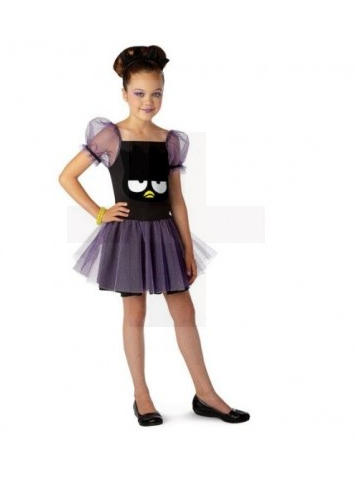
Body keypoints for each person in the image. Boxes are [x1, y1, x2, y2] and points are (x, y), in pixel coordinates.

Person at [58, 45, 250, 426]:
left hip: (164, 235)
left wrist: (187, 247)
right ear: (124, 93)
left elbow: (176, 199)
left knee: (185, 310)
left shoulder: (169, 140)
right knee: (135, 312)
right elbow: (67, 176)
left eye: (156, 93)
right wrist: (100, 212)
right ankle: (141, 396)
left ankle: (205, 394)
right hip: (128, 236)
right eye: (140, 93)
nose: (148, 101)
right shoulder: (111, 136)